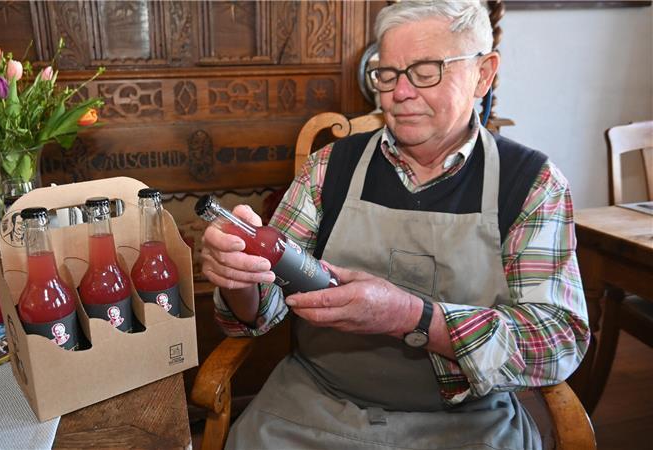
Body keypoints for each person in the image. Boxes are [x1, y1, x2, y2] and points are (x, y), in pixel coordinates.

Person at [199, 1, 590, 449]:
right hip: (312, 408)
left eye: (425, 71)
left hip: (466, 421)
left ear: (484, 73)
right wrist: (240, 279)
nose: (398, 94)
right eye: (386, 73)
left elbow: (556, 339)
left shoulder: (531, 184)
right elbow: (259, 312)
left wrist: (412, 316)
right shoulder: (330, 168)